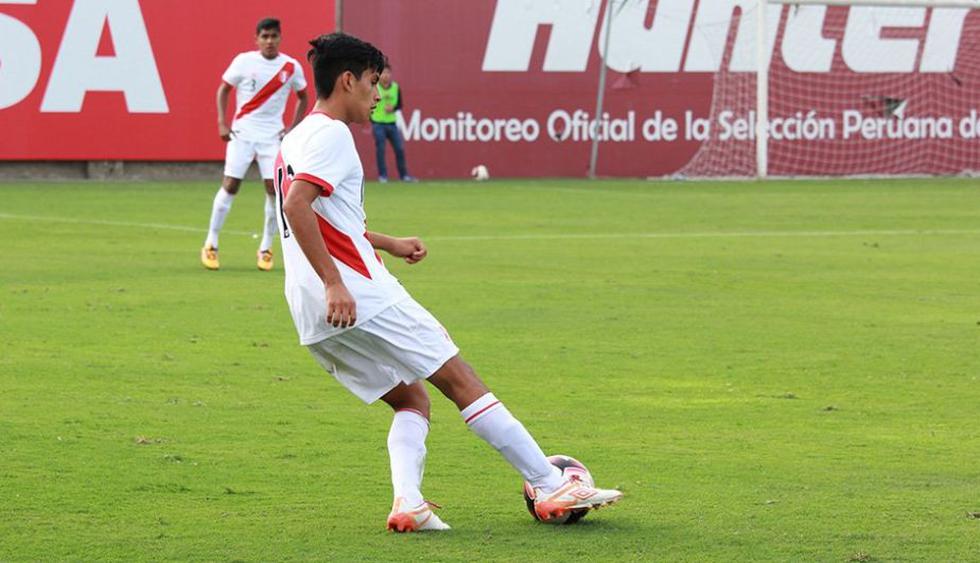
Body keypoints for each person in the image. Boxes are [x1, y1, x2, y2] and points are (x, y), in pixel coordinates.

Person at [273, 32, 623, 532]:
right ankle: (549, 482)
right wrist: (336, 281)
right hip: (358, 294)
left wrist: (387, 242)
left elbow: (323, 217)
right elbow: (296, 207)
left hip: (311, 311)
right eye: (373, 83)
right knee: (461, 382)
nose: (377, 94)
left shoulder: (296, 137)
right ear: (347, 80)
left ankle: (409, 503)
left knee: (410, 399)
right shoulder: (332, 135)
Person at [201, 17, 309, 271]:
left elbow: (303, 96)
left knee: (274, 191)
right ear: (257, 39)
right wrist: (221, 122)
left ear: (280, 38)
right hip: (242, 134)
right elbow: (223, 90)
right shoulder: (243, 61)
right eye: (265, 36)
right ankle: (211, 243)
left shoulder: (291, 67)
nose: (269, 41)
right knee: (230, 185)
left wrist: (292, 128)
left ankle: (265, 248)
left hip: (272, 138)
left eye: (274, 36)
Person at [370, 62, 416, 183]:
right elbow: (369, 103)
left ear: (391, 74)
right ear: (379, 75)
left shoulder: (395, 87)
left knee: (399, 148)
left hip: (391, 123)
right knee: (381, 149)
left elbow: (400, 105)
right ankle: (383, 176)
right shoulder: (375, 87)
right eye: (383, 73)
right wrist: (371, 119)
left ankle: (404, 175)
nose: (386, 75)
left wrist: (393, 108)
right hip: (378, 123)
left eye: (388, 73)